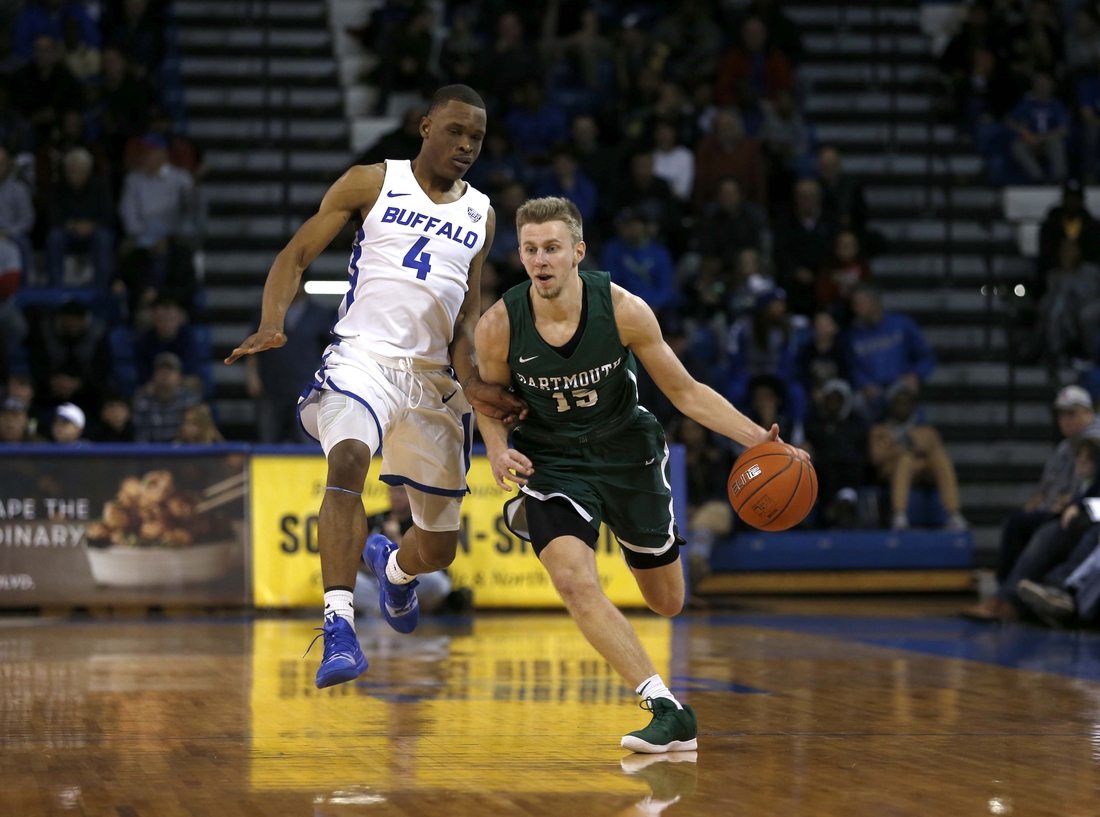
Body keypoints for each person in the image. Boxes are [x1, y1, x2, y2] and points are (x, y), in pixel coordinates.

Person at [223, 85, 524, 689]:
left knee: (439, 550)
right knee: (350, 459)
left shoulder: (482, 215)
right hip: (362, 358)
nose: (466, 145)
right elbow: (297, 253)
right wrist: (272, 321)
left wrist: (474, 382)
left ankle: (395, 575)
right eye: (455, 131)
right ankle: (338, 627)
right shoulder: (372, 181)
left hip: (433, 378)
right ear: (425, 126)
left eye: (477, 138)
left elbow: (467, 316)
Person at [474, 196, 794, 753]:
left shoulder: (624, 310)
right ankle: (663, 706)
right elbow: (490, 402)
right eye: (530, 250)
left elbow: (686, 392)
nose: (540, 260)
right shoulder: (499, 325)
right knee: (574, 580)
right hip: (551, 459)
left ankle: (651, 540)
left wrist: (758, 441)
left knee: (666, 601)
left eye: (552, 248)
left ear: (577, 252)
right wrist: (498, 449)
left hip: (627, 450)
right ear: (520, 255)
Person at [977, 385, 1100, 614]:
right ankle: (1020, 595)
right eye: (1061, 414)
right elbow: (1048, 487)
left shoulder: (1095, 441)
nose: (1064, 420)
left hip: (1088, 510)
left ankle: (1045, 592)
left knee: (1055, 532)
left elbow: (1093, 489)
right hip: (1085, 508)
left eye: (1071, 414)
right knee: (1019, 523)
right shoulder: (1066, 446)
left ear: (1087, 412)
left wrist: (1076, 504)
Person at [353, 484, 469, 617]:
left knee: (440, 583)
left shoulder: (422, 523)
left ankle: (397, 607)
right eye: (393, 492)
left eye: (401, 493)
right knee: (350, 582)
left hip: (412, 578)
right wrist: (376, 564)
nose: (396, 497)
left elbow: (426, 560)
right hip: (381, 582)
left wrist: (396, 538)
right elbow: (356, 563)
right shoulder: (374, 520)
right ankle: (390, 608)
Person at [245, 274, 333, 443]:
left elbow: (332, 351)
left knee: (307, 440)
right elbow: (253, 350)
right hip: (272, 387)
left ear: (303, 283)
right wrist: (252, 378)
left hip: (307, 389)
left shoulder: (320, 314)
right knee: (268, 440)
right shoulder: (268, 313)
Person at [869, 381, 968, 531]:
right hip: (895, 469)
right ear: (890, 405)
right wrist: (902, 450)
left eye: (906, 403)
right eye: (898, 403)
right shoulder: (880, 430)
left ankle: (954, 514)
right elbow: (876, 458)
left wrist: (917, 446)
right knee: (906, 459)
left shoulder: (926, 430)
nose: (902, 407)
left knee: (939, 458)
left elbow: (936, 450)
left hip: (924, 471)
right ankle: (899, 514)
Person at [845, 283, 936, 419]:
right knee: (856, 403)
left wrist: (916, 375)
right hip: (873, 391)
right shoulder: (854, 335)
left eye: (859, 303)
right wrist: (863, 384)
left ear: (874, 303)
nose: (855, 308)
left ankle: (916, 436)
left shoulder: (902, 325)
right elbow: (853, 368)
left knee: (902, 398)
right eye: (854, 304)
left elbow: (927, 356)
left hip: (898, 383)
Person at [46, 146, 115, 288]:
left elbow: (109, 214)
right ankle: (55, 286)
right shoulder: (57, 187)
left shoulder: (101, 185)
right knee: (54, 237)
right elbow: (52, 215)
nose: (75, 174)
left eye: (80, 170)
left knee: (103, 238)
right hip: (67, 230)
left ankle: (102, 288)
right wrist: (72, 225)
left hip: (94, 230)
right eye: (71, 170)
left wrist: (92, 225)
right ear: (65, 171)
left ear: (88, 170)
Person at [1007, 72, 1069, 184]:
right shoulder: (1026, 103)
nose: (1043, 86)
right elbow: (1010, 121)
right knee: (1017, 146)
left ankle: (1059, 179)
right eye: (1040, 83)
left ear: (1052, 86)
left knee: (1056, 143)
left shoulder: (1056, 105)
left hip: (1048, 140)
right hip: (1029, 140)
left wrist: (1042, 138)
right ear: (1034, 85)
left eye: (1046, 83)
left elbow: (1063, 129)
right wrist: (1025, 133)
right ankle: (1038, 178)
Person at [132, 351, 200, 442]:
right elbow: (141, 437)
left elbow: (197, 436)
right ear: (154, 375)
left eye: (170, 371)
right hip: (151, 453)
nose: (165, 375)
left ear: (179, 376)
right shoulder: (143, 401)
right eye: (161, 371)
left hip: (183, 452)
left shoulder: (191, 400)